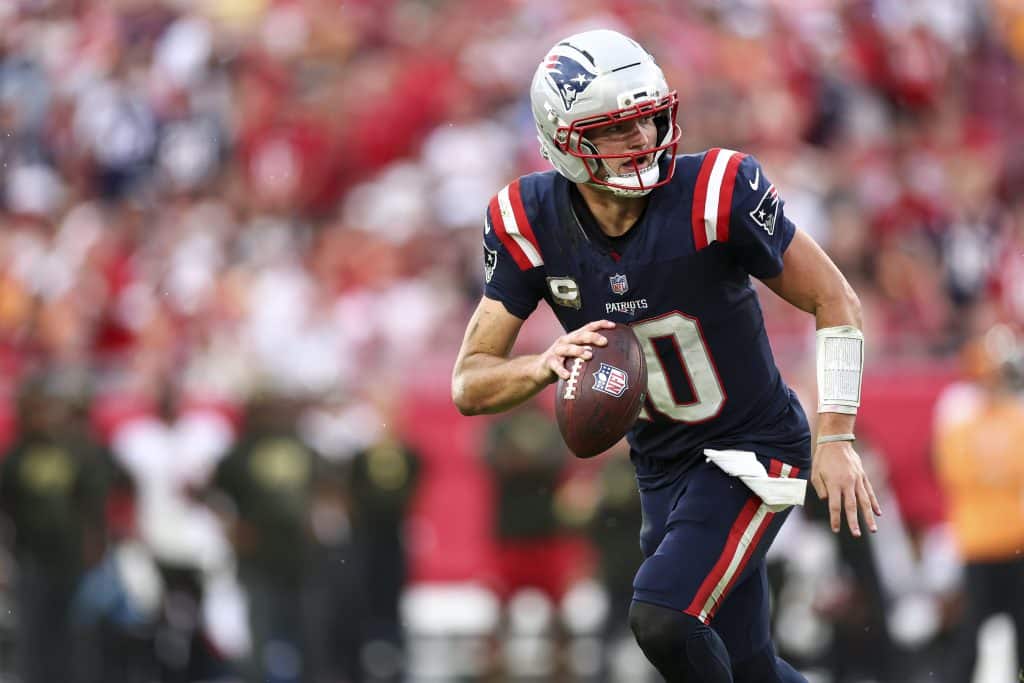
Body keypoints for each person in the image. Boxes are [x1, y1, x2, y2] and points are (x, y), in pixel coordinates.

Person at [451, 29, 881, 682]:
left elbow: (835, 299)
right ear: (567, 139)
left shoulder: (715, 192)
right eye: (619, 129)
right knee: (749, 666)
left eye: (650, 120)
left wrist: (837, 433)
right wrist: (543, 362)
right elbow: (469, 381)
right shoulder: (527, 219)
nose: (644, 140)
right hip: (661, 464)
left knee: (663, 616)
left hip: (752, 443)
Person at [933, 324, 1024, 683]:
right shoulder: (960, 415)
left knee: (1018, 633)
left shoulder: (1013, 415)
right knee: (970, 638)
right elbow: (955, 471)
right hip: (980, 541)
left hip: (1015, 540)